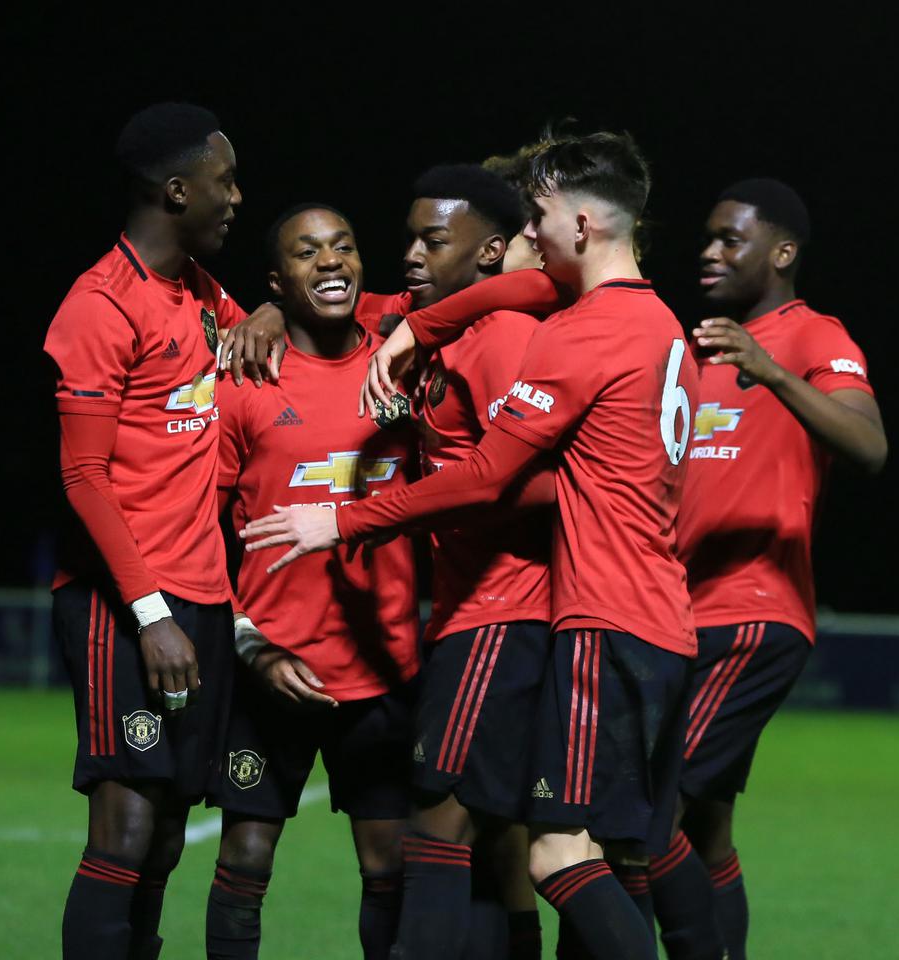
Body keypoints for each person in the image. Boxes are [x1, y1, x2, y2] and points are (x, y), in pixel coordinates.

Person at [241, 131, 699, 960]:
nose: (535, 231)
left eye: (540, 215)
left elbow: (493, 473)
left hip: (569, 614)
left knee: (526, 840)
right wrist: (285, 310)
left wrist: (339, 520)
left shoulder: (558, 334)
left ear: (579, 226)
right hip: (650, 616)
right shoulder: (658, 321)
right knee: (578, 842)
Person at [646, 179, 887, 960]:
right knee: (708, 829)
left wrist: (775, 372)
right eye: (707, 238)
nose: (709, 252)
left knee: (648, 817)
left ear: (782, 252)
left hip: (750, 614)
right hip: (675, 614)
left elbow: (869, 447)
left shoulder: (812, 334)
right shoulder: (693, 350)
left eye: (730, 239)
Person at [43, 101, 245, 960]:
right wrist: (150, 612)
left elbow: (291, 343)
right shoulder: (98, 305)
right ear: (175, 190)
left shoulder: (202, 294)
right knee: (123, 830)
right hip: (124, 606)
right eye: (224, 181)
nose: (236, 198)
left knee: (165, 835)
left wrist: (269, 316)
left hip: (200, 597)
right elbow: (84, 475)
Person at [206, 204, 420, 960]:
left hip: (386, 669)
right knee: (245, 859)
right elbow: (203, 533)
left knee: (389, 864)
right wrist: (248, 643)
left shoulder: (405, 367)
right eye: (307, 253)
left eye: (344, 247)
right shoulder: (243, 383)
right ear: (276, 279)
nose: (330, 262)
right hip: (274, 669)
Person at [379, 164, 552, 960]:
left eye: (432, 239)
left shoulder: (502, 338)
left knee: (439, 818)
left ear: (489, 255)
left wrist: (449, 494)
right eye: (410, 235)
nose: (412, 253)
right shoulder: (442, 325)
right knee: (496, 836)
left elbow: (542, 482)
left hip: (502, 607)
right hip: (468, 608)